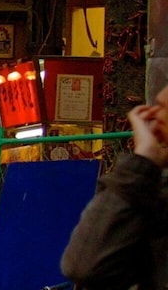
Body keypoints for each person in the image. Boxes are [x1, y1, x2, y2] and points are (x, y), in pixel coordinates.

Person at [61, 86, 168, 288]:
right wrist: (143, 162)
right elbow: (83, 265)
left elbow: (83, 265)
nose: (155, 111)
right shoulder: (153, 195)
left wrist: (141, 164)